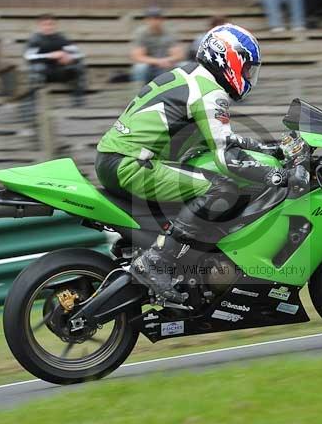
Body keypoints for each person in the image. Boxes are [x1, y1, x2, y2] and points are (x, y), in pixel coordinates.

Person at [95, 24, 309, 304]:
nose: (248, 76)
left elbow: (221, 138)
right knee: (222, 189)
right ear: (228, 58)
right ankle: (156, 262)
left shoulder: (192, 77)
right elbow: (226, 158)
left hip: (118, 159)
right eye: (246, 68)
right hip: (132, 164)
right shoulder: (210, 92)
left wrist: (272, 149)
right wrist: (278, 176)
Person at [23, 14, 86, 120]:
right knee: (36, 70)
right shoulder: (35, 40)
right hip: (44, 72)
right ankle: (31, 109)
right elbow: (29, 57)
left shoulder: (61, 38)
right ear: (40, 25)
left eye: (51, 24)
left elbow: (79, 55)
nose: (48, 27)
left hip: (60, 71)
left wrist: (69, 57)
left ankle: (78, 104)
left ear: (55, 25)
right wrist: (51, 56)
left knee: (78, 67)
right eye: (45, 24)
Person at [130, 7, 184, 84]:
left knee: (183, 65)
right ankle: (139, 92)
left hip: (168, 64)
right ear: (146, 20)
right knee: (140, 68)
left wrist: (168, 60)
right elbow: (138, 56)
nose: (154, 21)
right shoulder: (141, 34)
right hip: (150, 66)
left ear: (162, 20)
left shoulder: (170, 33)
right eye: (151, 19)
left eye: (157, 18)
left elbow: (178, 55)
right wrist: (158, 62)